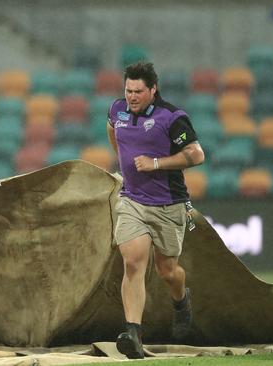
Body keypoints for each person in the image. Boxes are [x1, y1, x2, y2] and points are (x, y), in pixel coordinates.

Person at [106, 62, 205, 359]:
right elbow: (113, 131)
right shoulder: (117, 110)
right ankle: (133, 333)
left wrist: (156, 163)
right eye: (128, 90)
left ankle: (181, 299)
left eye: (138, 91)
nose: (132, 97)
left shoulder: (171, 118)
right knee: (133, 263)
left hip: (168, 204)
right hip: (132, 201)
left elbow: (197, 155)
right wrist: (123, 161)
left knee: (167, 270)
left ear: (153, 90)